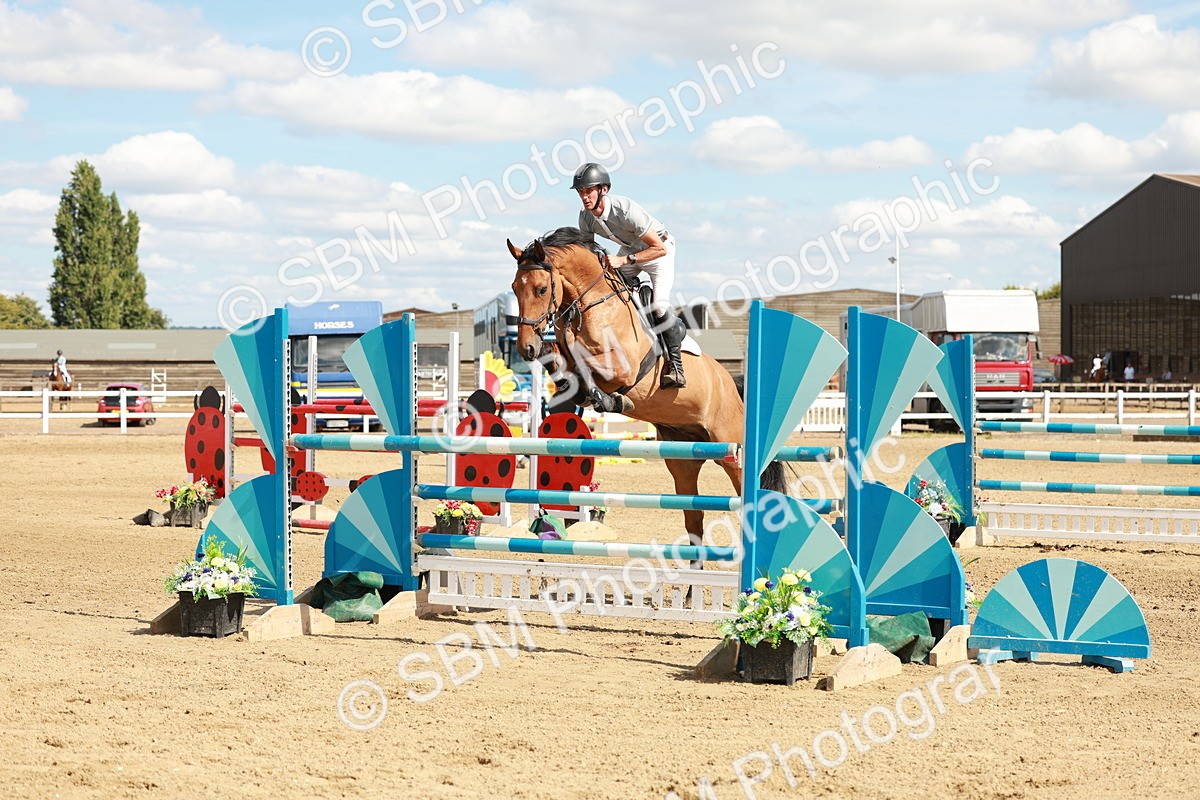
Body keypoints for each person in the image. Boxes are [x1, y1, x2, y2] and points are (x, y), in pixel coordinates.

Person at [571, 162, 686, 389]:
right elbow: (588, 252)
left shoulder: (626, 210)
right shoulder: (585, 217)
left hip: (658, 250)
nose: (584, 197)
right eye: (581, 192)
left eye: (588, 191)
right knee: (608, 285)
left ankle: (676, 366)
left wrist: (624, 261)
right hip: (631, 250)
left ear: (603, 190)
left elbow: (659, 249)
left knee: (659, 306)